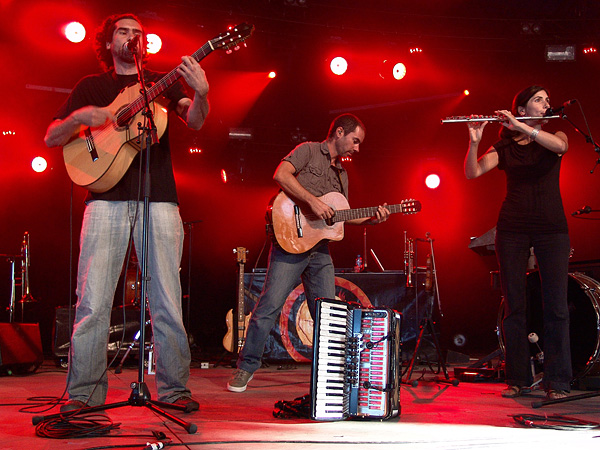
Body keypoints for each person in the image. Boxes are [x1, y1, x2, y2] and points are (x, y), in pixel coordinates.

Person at [44, 13, 209, 412]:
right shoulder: (91, 86)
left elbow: (194, 120)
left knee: (167, 298)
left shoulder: (159, 84)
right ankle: (83, 396)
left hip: (160, 201)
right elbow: (51, 136)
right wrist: (82, 118)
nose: (132, 37)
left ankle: (173, 391)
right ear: (107, 41)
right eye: (124, 31)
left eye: (138, 33)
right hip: (104, 201)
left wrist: (202, 93)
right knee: (93, 302)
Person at [227, 113, 390, 392]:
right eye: (355, 140)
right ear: (339, 132)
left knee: (329, 314)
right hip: (290, 242)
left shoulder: (343, 174)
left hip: (320, 250)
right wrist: (312, 201)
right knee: (268, 307)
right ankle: (246, 367)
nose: (357, 148)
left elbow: (340, 215)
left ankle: (335, 376)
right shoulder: (308, 150)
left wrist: (373, 218)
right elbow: (280, 175)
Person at [464, 85, 571, 400]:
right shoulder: (505, 147)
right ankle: (518, 379)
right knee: (515, 306)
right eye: (540, 100)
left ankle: (559, 381)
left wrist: (523, 127)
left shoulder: (557, 137)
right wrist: (474, 143)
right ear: (521, 109)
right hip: (512, 229)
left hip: (552, 229)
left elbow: (560, 148)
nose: (547, 104)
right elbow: (473, 172)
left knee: (556, 307)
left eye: (547, 100)